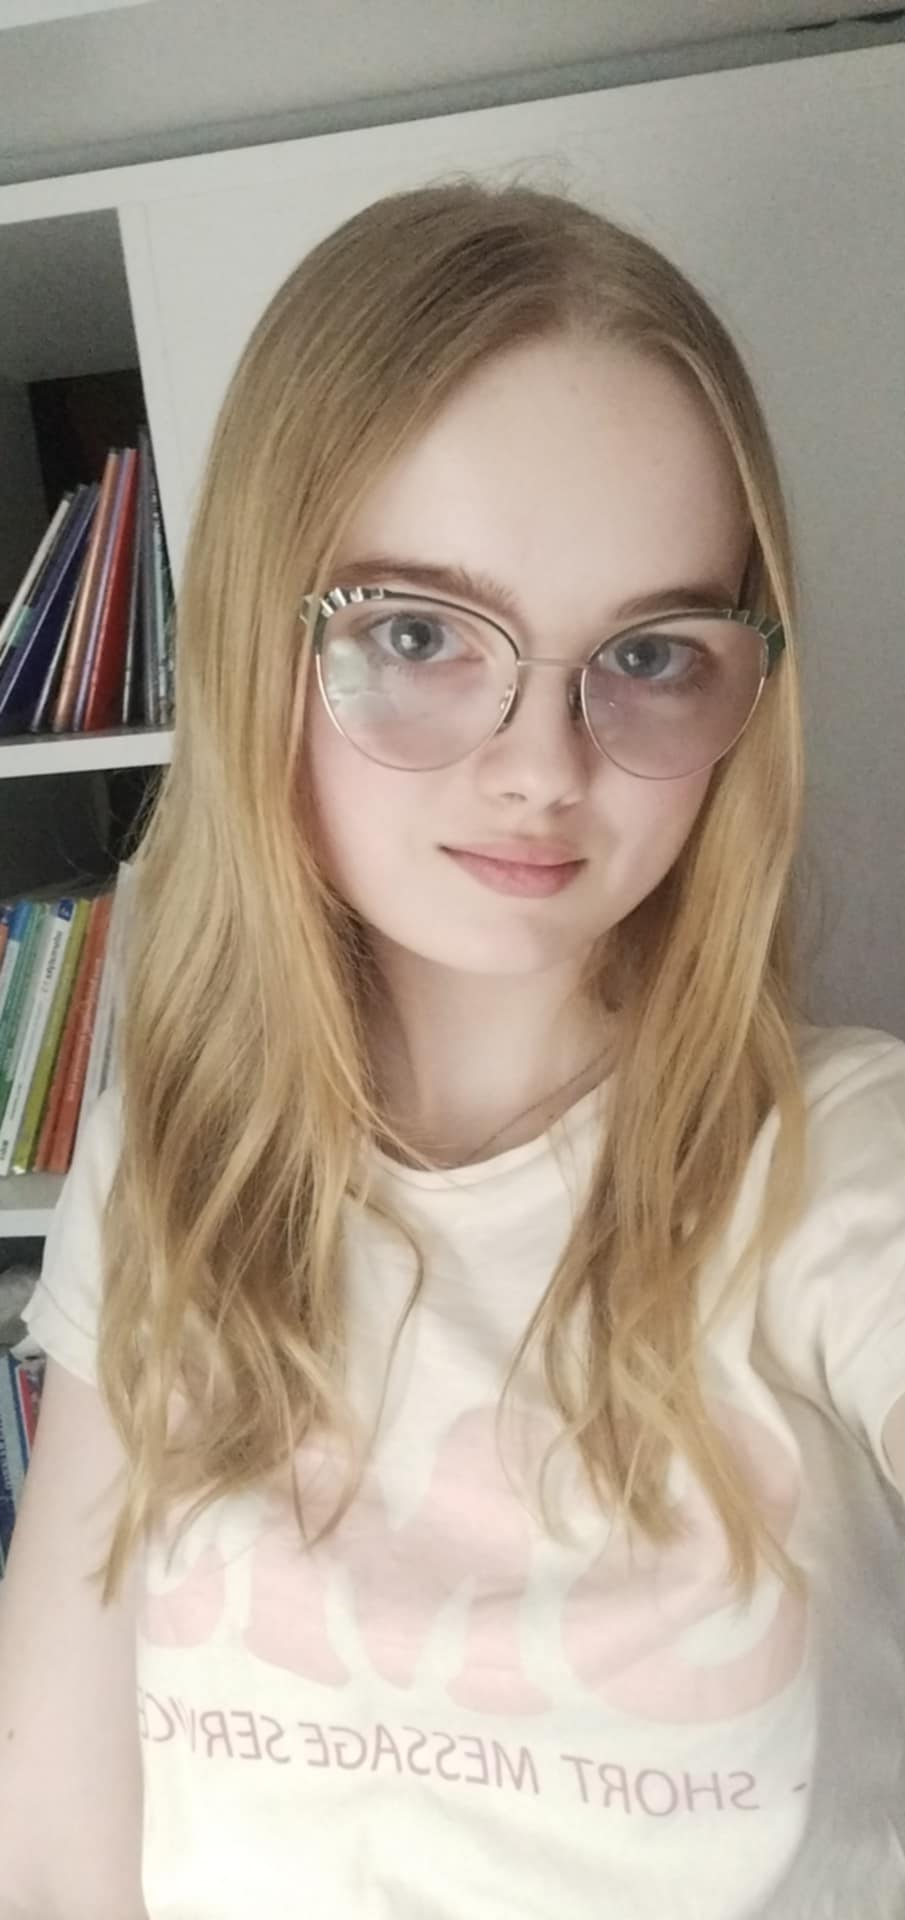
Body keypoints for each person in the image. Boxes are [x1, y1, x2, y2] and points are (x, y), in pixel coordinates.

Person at [1, 178, 903, 1920]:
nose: (542, 764)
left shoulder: (838, 1169)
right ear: (261, 634)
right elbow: (51, 1845)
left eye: (648, 652)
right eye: (416, 633)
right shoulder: (173, 1160)